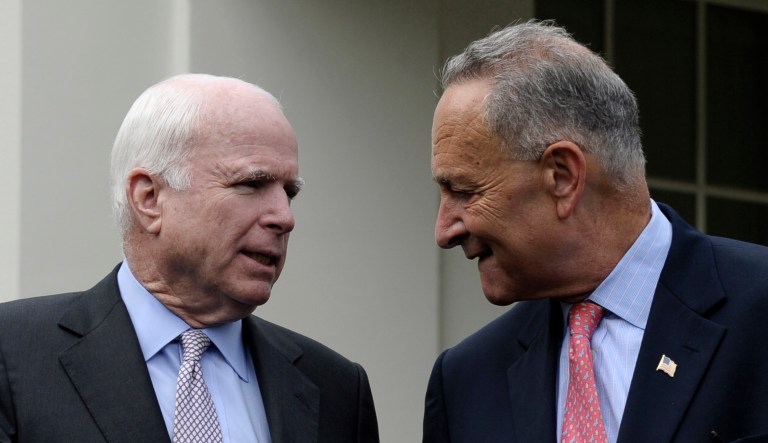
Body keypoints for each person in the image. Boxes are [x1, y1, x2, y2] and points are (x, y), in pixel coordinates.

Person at [423, 21, 768, 443]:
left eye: (463, 190)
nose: (444, 231)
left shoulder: (758, 311)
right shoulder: (466, 381)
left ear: (563, 176)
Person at [0, 74, 379, 443]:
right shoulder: (14, 354)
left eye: (289, 192)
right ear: (149, 199)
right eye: (251, 184)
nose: (284, 217)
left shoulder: (337, 388)